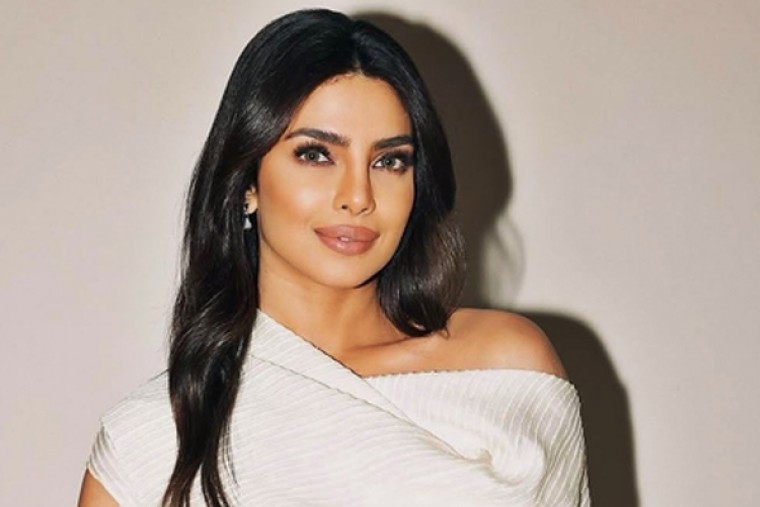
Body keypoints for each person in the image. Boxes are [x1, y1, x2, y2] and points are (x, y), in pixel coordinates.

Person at [78, 8, 589, 507]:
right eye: (316, 154)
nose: (358, 196)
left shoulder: (507, 370)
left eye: (389, 161)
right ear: (246, 182)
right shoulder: (151, 444)